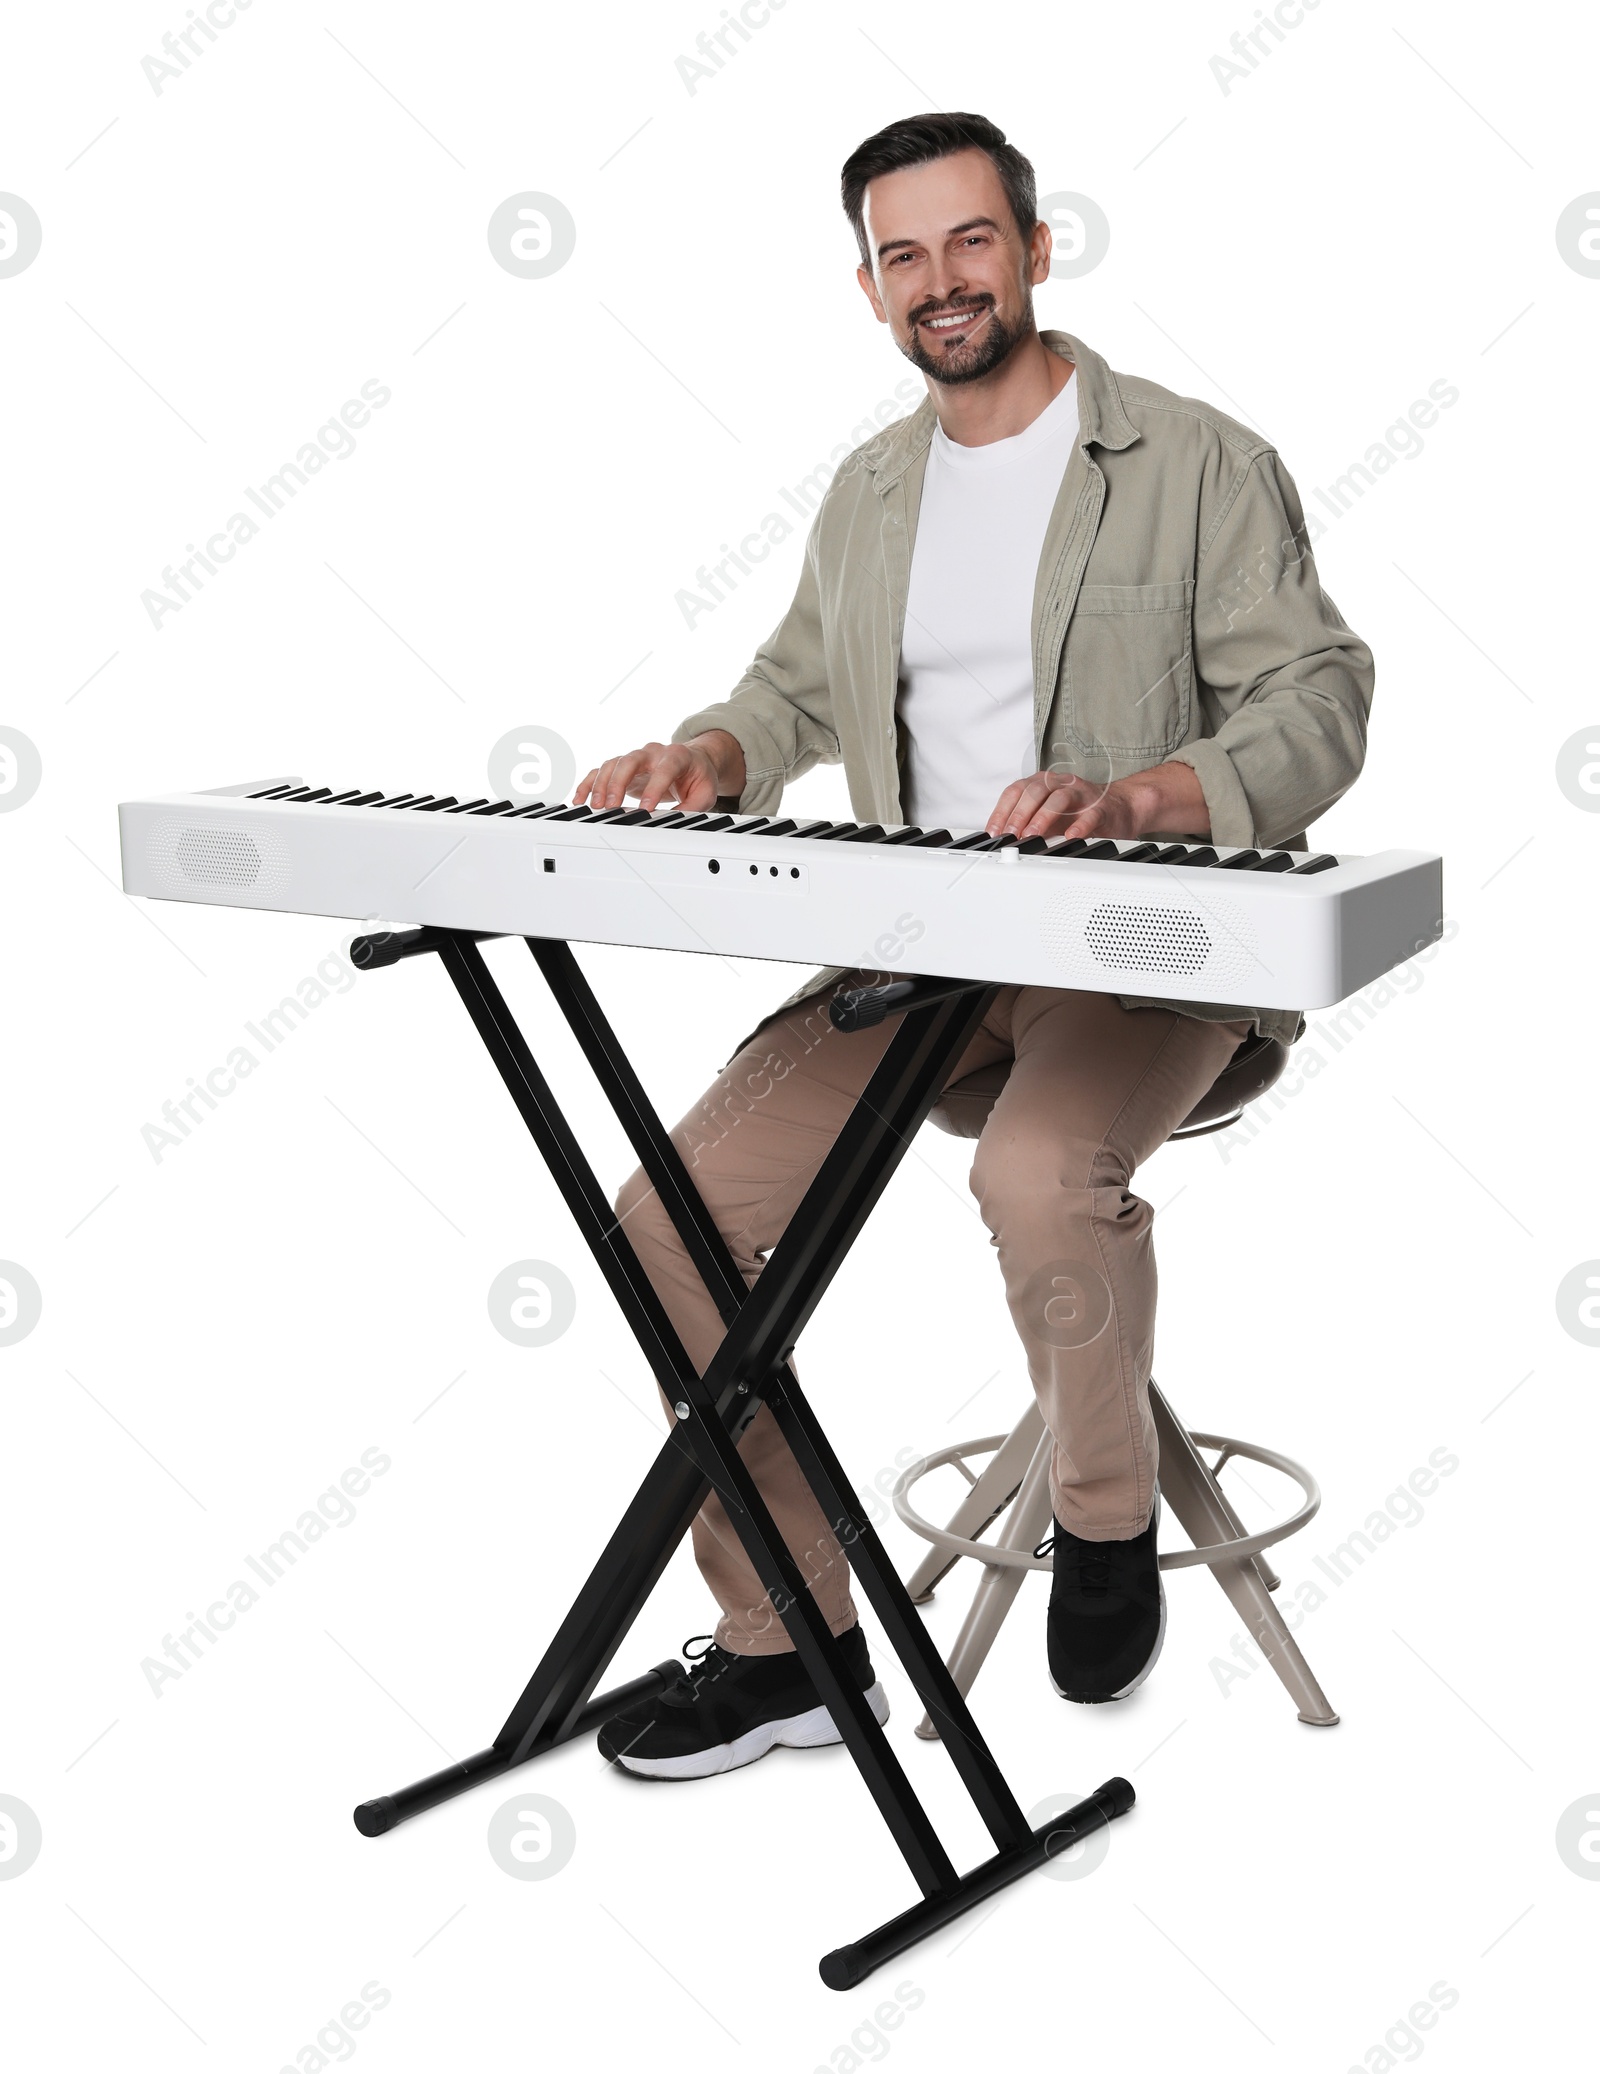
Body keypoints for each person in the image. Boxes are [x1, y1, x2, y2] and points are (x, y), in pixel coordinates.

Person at [576, 111, 1373, 1780]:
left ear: (1035, 245)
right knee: (672, 1217)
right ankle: (791, 1640)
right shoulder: (870, 494)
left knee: (1030, 1171)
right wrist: (711, 752)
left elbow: (1321, 698)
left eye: (971, 241)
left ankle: (1101, 1516)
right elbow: (791, 690)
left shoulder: (1199, 459)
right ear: (867, 287)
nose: (943, 282)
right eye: (904, 256)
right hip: (919, 952)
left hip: (1146, 942)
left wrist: (1159, 789)